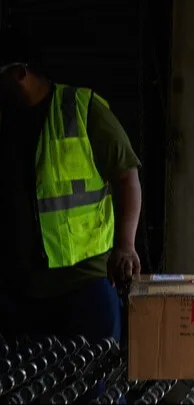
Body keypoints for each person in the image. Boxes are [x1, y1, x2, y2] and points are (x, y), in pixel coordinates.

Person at [0, 30, 143, 346]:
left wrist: (125, 245)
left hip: (83, 283)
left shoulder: (81, 109)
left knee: (94, 383)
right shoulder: (6, 119)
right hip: (21, 288)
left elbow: (126, 175)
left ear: (20, 73)